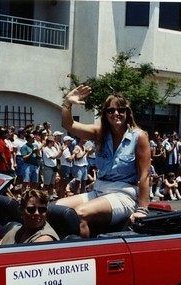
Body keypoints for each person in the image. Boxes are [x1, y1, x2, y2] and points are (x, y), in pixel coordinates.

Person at [56, 85, 150, 238]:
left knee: (80, 214)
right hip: (99, 191)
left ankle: (83, 257)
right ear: (105, 114)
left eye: (121, 110)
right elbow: (69, 124)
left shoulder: (138, 136)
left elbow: (145, 175)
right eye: (111, 111)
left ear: (127, 112)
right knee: (56, 209)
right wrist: (68, 103)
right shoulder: (99, 133)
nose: (116, 114)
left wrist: (142, 210)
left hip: (123, 195)